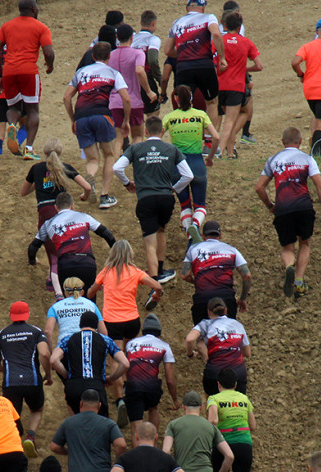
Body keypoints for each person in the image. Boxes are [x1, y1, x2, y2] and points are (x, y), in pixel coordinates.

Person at [256, 127, 321, 298]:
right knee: (304, 244)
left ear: (283, 142)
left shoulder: (273, 160)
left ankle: (289, 266)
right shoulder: (307, 159)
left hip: (283, 208)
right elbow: (320, 186)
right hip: (304, 206)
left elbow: (259, 187)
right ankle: (298, 281)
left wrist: (270, 205)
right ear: (300, 142)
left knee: (287, 248)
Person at [113, 117, 193, 281]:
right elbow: (188, 175)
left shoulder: (136, 148)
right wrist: (174, 189)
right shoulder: (172, 149)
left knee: (150, 241)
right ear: (163, 131)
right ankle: (161, 270)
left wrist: (127, 183)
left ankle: (154, 279)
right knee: (161, 230)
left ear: (145, 131)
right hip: (166, 198)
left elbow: (117, 167)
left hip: (146, 198)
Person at [22, 141, 94, 295]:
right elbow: (87, 187)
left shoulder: (36, 168)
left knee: (50, 247)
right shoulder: (65, 167)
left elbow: (23, 192)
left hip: (45, 211)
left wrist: (39, 182)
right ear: (60, 153)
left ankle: (51, 278)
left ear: (44, 152)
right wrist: (84, 196)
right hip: (62, 210)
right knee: (67, 243)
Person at [64, 42, 130, 210]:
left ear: (93, 56)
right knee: (109, 154)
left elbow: (66, 97)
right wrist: (126, 121)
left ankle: (90, 179)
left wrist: (73, 119)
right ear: (109, 56)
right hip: (102, 114)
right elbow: (126, 98)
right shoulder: (113, 73)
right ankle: (104, 196)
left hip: (81, 117)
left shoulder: (81, 72)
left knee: (93, 158)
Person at [0, 0, 55, 159]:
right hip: (28, 71)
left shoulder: (7, 26)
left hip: (9, 71)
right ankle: (28, 148)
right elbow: (48, 52)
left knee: (13, 108)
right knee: (33, 110)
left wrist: (0, 73)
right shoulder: (41, 27)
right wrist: (50, 65)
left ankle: (12, 126)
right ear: (34, 9)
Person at [0, 301, 52, 454]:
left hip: (10, 382)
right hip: (32, 379)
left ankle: (16, 442)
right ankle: (30, 437)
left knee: (13, 415)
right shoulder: (36, 332)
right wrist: (48, 374)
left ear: (11, 315)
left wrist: (7, 370)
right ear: (28, 314)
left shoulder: (1, 334)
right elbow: (44, 354)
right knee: (36, 409)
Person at [29, 192, 117, 297]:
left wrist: (32, 260)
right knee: (89, 302)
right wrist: (115, 253)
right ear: (72, 205)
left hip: (65, 265)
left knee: (69, 303)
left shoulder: (48, 223)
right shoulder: (84, 217)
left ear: (56, 208)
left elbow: (33, 247)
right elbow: (107, 234)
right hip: (87, 264)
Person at [162, 87, 219, 239]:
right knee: (200, 205)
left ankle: (190, 235)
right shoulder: (200, 115)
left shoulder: (169, 117)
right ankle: (195, 225)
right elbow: (216, 137)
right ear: (192, 98)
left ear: (176, 99)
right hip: (197, 163)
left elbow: (156, 137)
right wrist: (210, 157)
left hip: (177, 166)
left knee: (185, 206)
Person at [51, 311, 130, 418]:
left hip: (74, 386)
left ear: (80, 325)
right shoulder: (105, 340)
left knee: (78, 421)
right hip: (96, 385)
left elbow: (54, 360)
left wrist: (67, 375)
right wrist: (111, 378)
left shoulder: (68, 339)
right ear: (96, 325)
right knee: (100, 423)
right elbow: (125, 363)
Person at [51, 388, 128, 472]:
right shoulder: (108, 423)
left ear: (81, 404)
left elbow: (54, 446)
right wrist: (117, 464)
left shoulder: (69, 423)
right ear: (99, 405)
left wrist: (70, 450)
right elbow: (121, 445)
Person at [87, 241, 163, 352]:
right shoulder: (136, 272)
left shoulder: (106, 272)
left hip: (111, 321)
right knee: (129, 355)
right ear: (130, 254)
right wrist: (157, 295)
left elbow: (90, 293)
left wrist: (98, 288)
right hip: (132, 320)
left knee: (117, 358)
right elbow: (157, 286)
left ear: (112, 254)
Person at [164, 0, 226, 126]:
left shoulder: (176, 23)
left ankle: (183, 136)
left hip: (183, 67)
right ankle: (209, 140)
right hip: (204, 64)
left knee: (182, 103)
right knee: (212, 102)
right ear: (202, 8)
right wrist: (222, 58)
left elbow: (167, 50)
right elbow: (216, 34)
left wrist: (183, 53)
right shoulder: (209, 17)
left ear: (187, 9)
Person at [182, 221, 251, 325]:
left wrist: (198, 281)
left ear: (203, 236)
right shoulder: (232, 250)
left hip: (202, 297)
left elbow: (185, 275)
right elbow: (247, 275)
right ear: (220, 235)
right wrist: (243, 299)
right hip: (226, 298)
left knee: (202, 336)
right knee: (227, 334)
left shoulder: (193, 249)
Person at [120, 314, 179, 432]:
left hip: (134, 386)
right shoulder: (164, 346)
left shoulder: (131, 344)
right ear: (159, 331)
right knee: (153, 408)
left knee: (136, 424)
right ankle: (154, 444)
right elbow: (170, 379)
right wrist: (175, 399)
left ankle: (138, 448)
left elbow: (125, 365)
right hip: (152, 386)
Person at [215, 13, 261, 158]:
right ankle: (220, 151)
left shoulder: (219, 41)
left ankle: (230, 152)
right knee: (230, 121)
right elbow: (259, 66)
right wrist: (245, 69)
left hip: (220, 85)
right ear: (240, 27)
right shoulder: (246, 42)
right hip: (236, 86)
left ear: (225, 26)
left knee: (225, 119)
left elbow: (210, 60)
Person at [292, 22, 321, 156]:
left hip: (309, 89)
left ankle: (314, 151)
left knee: (318, 118)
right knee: (320, 122)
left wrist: (301, 74)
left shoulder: (307, 46)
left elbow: (295, 62)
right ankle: (316, 153)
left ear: (317, 31)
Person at [111, 24, 156, 145]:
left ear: (117, 37)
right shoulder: (138, 53)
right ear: (132, 37)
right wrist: (148, 91)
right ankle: (137, 163)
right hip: (134, 101)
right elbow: (139, 71)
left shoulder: (111, 55)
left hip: (115, 101)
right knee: (137, 136)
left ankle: (115, 163)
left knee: (118, 138)